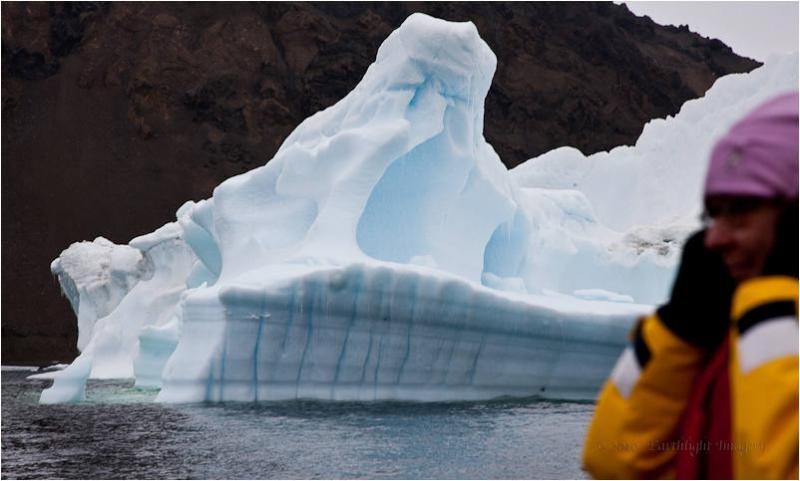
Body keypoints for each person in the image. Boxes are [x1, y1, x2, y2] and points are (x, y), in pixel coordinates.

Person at [582, 91, 799, 479]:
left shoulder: (768, 335)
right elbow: (614, 461)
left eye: (741, 211)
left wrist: (771, 302)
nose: (712, 239)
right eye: (715, 215)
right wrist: (679, 331)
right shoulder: (743, 347)